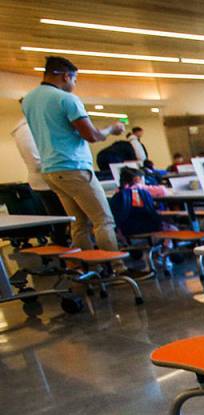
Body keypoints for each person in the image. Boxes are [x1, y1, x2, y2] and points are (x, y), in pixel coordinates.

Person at [21, 56, 129, 266]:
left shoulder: (29, 100)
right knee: (103, 220)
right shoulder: (66, 99)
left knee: (79, 223)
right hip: (74, 168)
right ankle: (117, 268)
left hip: (51, 170)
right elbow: (92, 135)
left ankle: (85, 268)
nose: (74, 84)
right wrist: (112, 129)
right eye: (74, 80)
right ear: (65, 76)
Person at [11, 112, 69, 245]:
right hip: (46, 182)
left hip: (53, 179)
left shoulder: (36, 125)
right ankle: (64, 250)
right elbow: (36, 162)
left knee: (63, 220)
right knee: (61, 220)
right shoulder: (25, 129)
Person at [109, 166, 167, 239]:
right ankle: (166, 247)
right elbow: (163, 190)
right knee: (172, 227)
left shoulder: (119, 193)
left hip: (126, 229)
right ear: (137, 179)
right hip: (150, 226)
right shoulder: (141, 189)